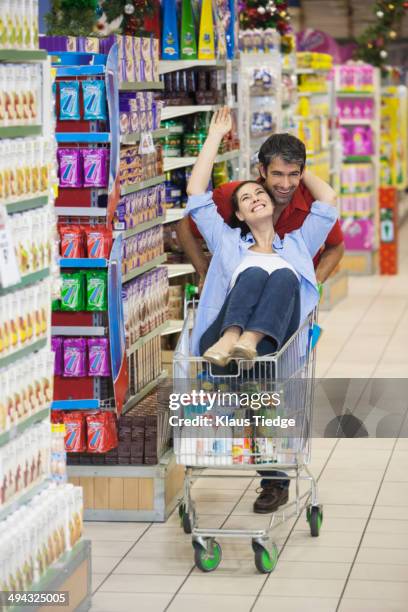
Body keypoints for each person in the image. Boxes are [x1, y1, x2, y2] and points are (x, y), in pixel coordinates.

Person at [185, 107, 338, 514]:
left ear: (271, 201)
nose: (255, 200)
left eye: (260, 195)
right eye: (246, 199)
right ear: (237, 214)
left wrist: (294, 166)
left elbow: (328, 200)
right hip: (219, 342)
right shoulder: (228, 245)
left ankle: (248, 342)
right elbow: (197, 196)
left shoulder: (298, 246)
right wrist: (215, 137)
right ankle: (234, 339)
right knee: (253, 275)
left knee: (284, 279)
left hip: (273, 346)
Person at [176, 134, 343, 295]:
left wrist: (312, 287)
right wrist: (205, 273)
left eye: (293, 174)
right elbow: (190, 211)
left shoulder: (299, 243)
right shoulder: (228, 240)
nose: (285, 185)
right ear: (262, 170)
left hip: (292, 307)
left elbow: (330, 204)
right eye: (277, 173)